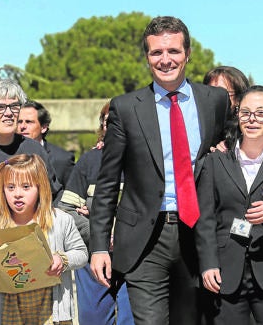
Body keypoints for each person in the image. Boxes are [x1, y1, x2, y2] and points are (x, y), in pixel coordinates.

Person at [89, 16, 231, 325]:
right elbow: (108, 182)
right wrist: (99, 246)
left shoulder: (215, 101)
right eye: (156, 53)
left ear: (187, 53)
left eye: (173, 51)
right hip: (144, 238)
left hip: (197, 235)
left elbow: (235, 148)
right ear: (147, 57)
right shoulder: (126, 108)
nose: (165, 60)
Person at [195, 85, 263, 324]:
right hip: (225, 273)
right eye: (245, 113)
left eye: (261, 113)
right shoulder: (216, 161)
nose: (252, 119)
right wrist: (208, 264)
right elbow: (205, 219)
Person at [0, 79, 62, 325]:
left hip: (25, 266)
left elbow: (52, 198)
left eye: (14, 106)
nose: (8, 113)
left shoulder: (32, 149)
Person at [0, 154, 87, 325]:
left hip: (51, 307)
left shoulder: (60, 220)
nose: (17, 194)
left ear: (40, 187)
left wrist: (62, 259)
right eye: (10, 187)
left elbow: (82, 253)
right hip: (11, 307)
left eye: (26, 187)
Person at [59, 102, 135, 325]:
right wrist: (97, 233)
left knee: (131, 319)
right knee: (92, 318)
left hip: (135, 258)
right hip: (93, 255)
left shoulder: (146, 163)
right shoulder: (89, 161)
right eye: (108, 121)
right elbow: (67, 210)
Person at [18, 100, 75, 186]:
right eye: (19, 122)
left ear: (44, 127)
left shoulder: (62, 160)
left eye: (29, 122)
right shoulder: (5, 153)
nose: (22, 126)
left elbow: (71, 195)